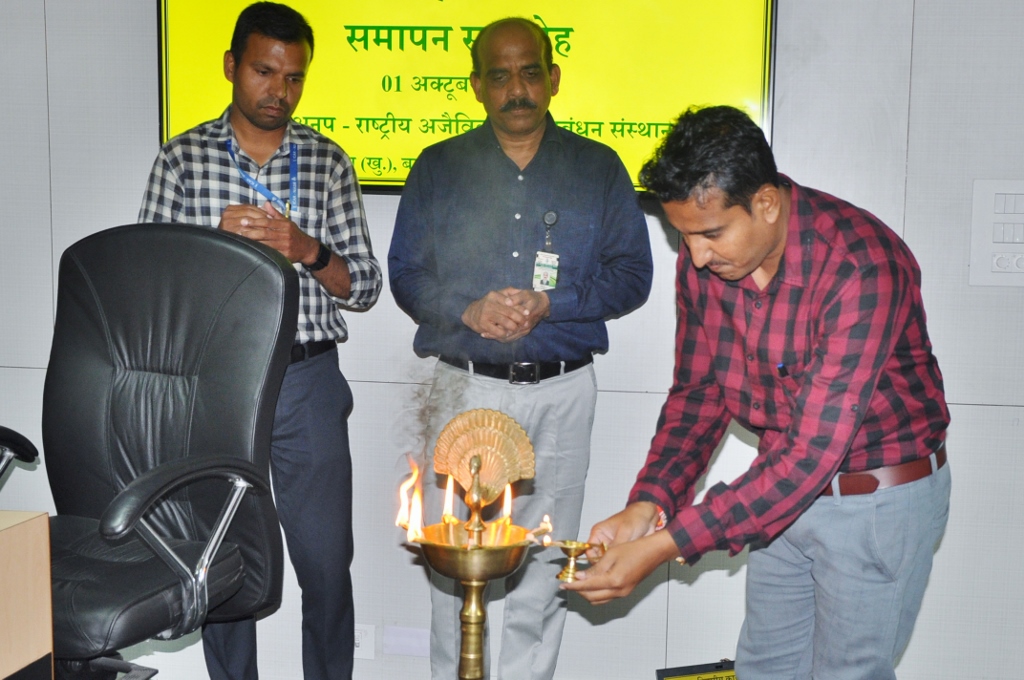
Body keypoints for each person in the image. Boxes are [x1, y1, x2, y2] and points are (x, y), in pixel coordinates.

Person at [562, 105, 951, 679]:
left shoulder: (862, 265)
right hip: (778, 494)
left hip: (877, 502)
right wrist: (650, 503)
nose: (695, 256)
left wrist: (666, 545)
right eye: (683, 236)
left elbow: (813, 452)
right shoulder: (707, 262)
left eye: (710, 234)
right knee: (764, 668)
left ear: (766, 203)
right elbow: (699, 395)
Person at [388, 16, 653, 680]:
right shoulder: (439, 167)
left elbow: (633, 276)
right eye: (500, 75)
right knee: (453, 565)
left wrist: (550, 303)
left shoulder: (598, 168)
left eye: (530, 72)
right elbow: (407, 274)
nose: (517, 89)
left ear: (553, 78)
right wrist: (467, 309)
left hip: (562, 391)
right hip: (465, 387)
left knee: (545, 560)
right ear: (476, 85)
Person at [138, 3, 382, 679]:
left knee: (327, 563)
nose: (279, 90)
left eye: (294, 77)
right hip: (215, 383)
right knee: (224, 560)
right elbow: (149, 285)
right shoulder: (183, 159)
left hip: (307, 380)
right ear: (231, 67)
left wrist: (308, 249)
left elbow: (364, 287)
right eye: (264, 71)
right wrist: (211, 245)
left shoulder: (327, 161)